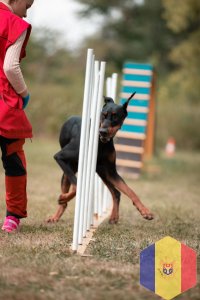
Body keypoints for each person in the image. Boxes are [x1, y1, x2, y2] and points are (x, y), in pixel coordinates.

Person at [0, 0, 34, 232]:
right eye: (28, 5)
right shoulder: (15, 23)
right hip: (4, 103)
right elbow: (10, 67)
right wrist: (24, 93)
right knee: (13, 158)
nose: (27, 11)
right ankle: (12, 217)